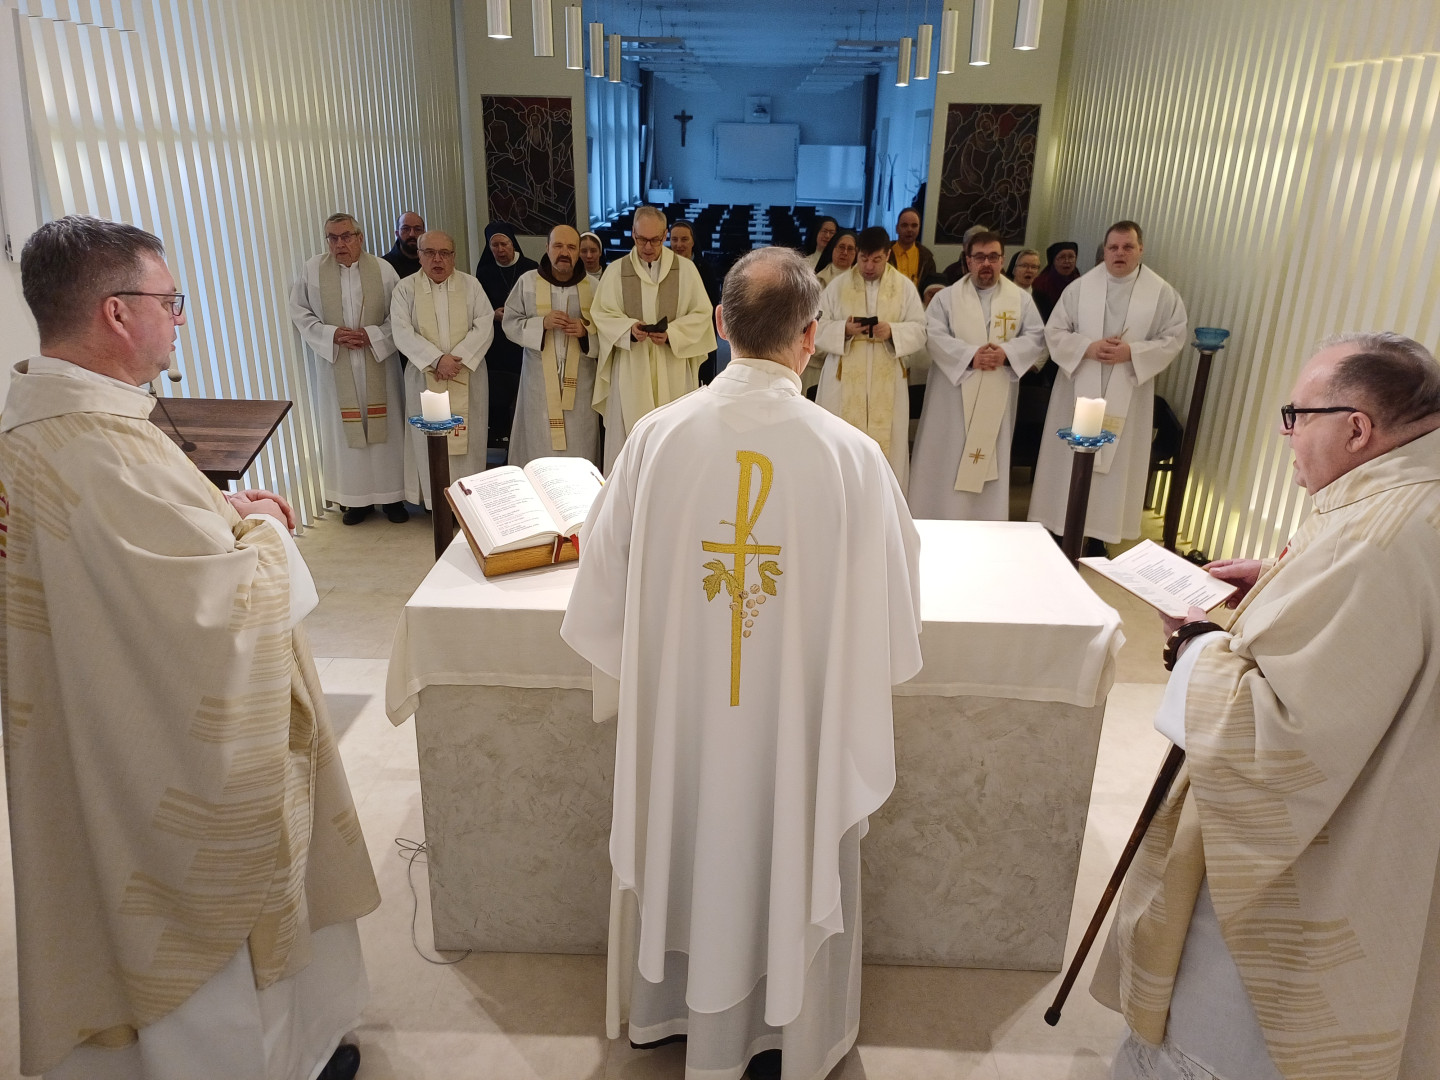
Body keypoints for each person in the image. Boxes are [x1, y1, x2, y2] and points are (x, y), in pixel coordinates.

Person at [4, 215, 380, 1080]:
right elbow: (219, 616)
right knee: (201, 920)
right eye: (169, 300)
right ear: (116, 312)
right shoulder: (100, 451)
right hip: (162, 759)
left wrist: (221, 517)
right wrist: (264, 529)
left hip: (91, 731)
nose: (180, 318)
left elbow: (144, 571)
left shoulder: (42, 427)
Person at [560, 245, 923, 1080]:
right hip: (798, 733)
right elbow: (893, 616)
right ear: (812, 334)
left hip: (685, 726)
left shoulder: (655, 438)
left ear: (720, 324)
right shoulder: (852, 457)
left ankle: (670, 1011)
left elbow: (602, 593)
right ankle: (792, 1027)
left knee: (686, 828)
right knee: (792, 832)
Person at [1097, 332, 1440, 1080]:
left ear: (1357, 428)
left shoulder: (1372, 540)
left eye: (1296, 415)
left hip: (1320, 843)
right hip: (1406, 811)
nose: (1286, 434)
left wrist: (1194, 643)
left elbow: (1282, 735)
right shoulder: (1408, 494)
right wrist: (1280, 579)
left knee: (1223, 1026)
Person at [1028, 221, 1187, 550]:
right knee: (1069, 461)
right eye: (1113, 247)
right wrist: (1087, 348)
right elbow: (1054, 332)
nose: (1119, 253)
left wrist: (1133, 352)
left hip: (1129, 388)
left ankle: (1100, 536)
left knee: (1116, 464)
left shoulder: (1162, 294)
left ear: (1140, 249)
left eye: (1128, 247)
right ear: (1105, 250)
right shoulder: (1080, 288)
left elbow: (1173, 338)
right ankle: (1062, 528)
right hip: (1077, 388)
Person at [909, 230, 1046, 520]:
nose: (987, 263)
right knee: (949, 451)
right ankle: (940, 516)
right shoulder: (946, 299)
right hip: (952, 395)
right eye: (980, 257)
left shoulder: (1020, 300)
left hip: (997, 387)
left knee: (989, 453)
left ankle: (985, 521)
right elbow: (932, 335)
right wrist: (970, 355)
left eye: (993, 257)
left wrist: (1006, 353)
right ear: (967, 261)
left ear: (1003, 261)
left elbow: (1036, 336)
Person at [289, 211, 408, 524]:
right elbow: (300, 312)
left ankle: (392, 498)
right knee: (344, 433)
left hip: (378, 361)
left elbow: (400, 316)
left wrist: (373, 335)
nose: (339, 244)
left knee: (387, 430)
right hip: (337, 363)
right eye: (332, 238)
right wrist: (332, 334)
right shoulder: (312, 270)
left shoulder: (383, 270)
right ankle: (356, 500)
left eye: (346, 236)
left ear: (360, 238)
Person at [591, 205, 717, 470]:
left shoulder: (686, 270)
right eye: (641, 239)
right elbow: (601, 313)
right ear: (632, 233)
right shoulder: (616, 271)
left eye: (655, 240)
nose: (647, 247)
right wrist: (628, 329)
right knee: (629, 437)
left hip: (672, 365)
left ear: (665, 234)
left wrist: (672, 333)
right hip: (631, 365)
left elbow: (702, 314)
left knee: (673, 436)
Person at [815, 225, 928, 488]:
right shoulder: (837, 286)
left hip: (887, 376)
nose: (868, 266)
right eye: (864, 258)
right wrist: (844, 329)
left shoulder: (904, 287)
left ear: (887, 255)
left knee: (888, 447)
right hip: (843, 377)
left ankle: (884, 502)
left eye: (876, 260)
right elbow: (816, 327)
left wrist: (893, 331)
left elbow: (920, 330)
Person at [390, 230, 495, 506]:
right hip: (424, 375)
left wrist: (456, 360)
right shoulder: (405, 289)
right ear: (419, 256)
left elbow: (484, 325)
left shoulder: (471, 286)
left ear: (453, 256)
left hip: (467, 374)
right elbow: (401, 331)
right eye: (429, 253)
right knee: (428, 441)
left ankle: (468, 502)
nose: (437, 259)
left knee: (468, 440)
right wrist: (437, 360)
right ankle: (435, 502)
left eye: (444, 253)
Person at [501, 224, 600, 467]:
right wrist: (541, 324)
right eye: (558, 246)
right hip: (538, 382)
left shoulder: (594, 287)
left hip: (581, 383)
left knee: (580, 443)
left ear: (578, 252)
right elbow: (510, 323)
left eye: (571, 247)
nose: (564, 252)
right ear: (547, 248)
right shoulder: (527, 282)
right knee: (539, 441)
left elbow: (607, 331)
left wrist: (585, 332)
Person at [474, 221, 538, 460]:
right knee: (499, 399)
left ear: (513, 243)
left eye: (504, 244)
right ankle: (503, 444)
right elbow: (478, 308)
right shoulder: (484, 272)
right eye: (495, 245)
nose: (500, 250)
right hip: (497, 347)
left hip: (523, 344)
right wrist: (493, 314)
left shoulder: (530, 269)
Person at [888, 207, 936, 287]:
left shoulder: (926, 259)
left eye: (914, 226)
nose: (909, 229)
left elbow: (930, 288)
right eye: (904, 225)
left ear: (919, 229)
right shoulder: (884, 254)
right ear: (897, 228)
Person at [1032, 241, 1080, 321]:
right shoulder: (1041, 284)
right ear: (1053, 260)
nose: (1067, 261)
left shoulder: (1079, 281)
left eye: (1071, 257)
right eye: (1062, 257)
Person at [381, 210, 425, 279]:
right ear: (397, 234)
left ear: (424, 233)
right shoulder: (384, 265)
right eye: (406, 229)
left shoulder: (433, 261)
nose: (412, 234)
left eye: (417, 229)